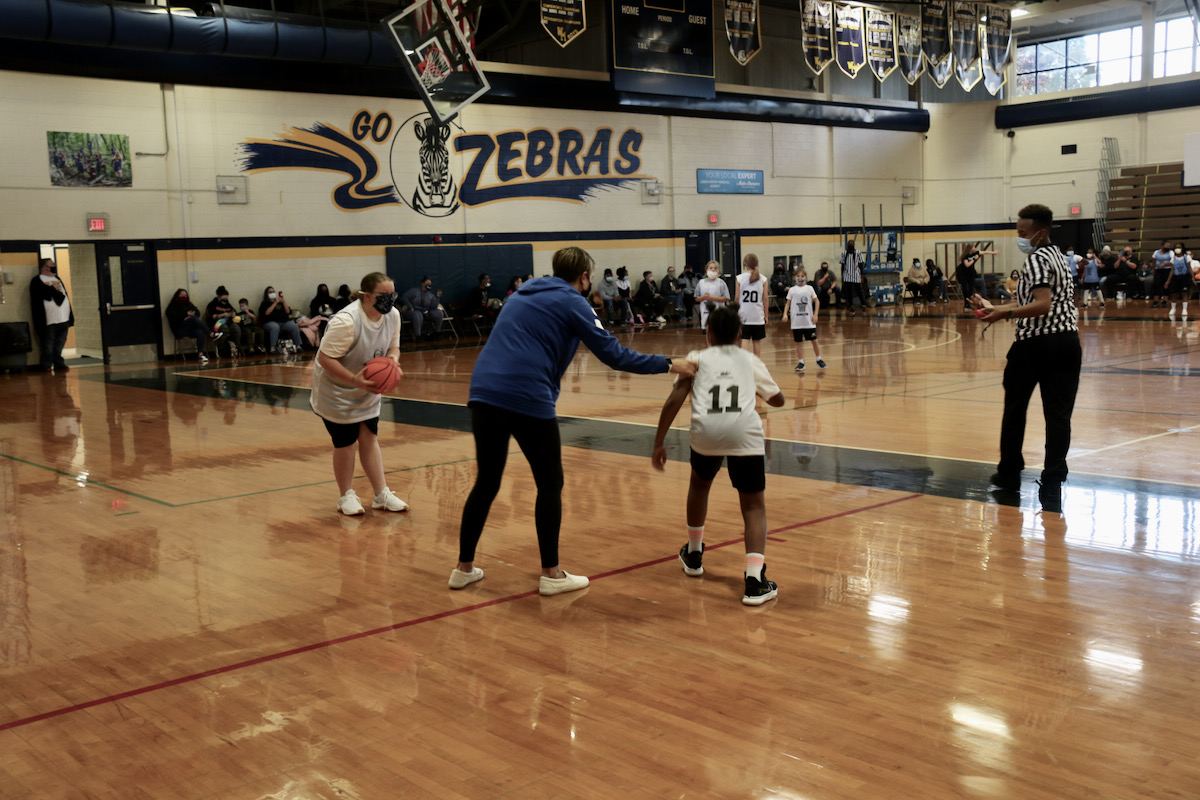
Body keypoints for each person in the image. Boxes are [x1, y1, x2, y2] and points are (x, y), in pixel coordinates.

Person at [449, 247, 696, 596]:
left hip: (484, 391)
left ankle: (463, 569)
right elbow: (614, 355)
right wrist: (669, 363)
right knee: (550, 483)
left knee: (487, 481)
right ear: (584, 276)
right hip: (527, 394)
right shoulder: (574, 302)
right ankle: (551, 574)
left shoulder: (524, 291)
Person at [650, 303, 785, 605]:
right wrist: (760, 390)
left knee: (699, 486)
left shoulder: (695, 359)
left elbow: (674, 400)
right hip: (744, 434)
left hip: (705, 434)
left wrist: (658, 442)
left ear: (708, 333)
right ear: (739, 334)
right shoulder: (749, 360)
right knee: (753, 506)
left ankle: (693, 553)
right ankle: (754, 580)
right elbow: (778, 400)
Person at [971, 203, 1080, 513]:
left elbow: (1042, 305)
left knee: (1015, 410)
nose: (1019, 237)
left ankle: (1009, 474)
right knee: (1058, 416)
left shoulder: (1035, 260)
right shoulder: (1060, 257)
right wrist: (995, 306)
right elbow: (1038, 301)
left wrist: (1004, 313)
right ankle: (1053, 480)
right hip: (1067, 343)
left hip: (1035, 345)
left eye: (1023, 232)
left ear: (1040, 233)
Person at [310, 271, 409, 516]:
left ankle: (381, 494)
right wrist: (355, 380)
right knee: (345, 442)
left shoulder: (393, 315)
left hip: (368, 385)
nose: (390, 299)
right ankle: (346, 496)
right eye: (384, 295)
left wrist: (392, 363)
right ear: (367, 296)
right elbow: (325, 358)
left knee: (369, 437)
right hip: (337, 389)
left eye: (392, 294)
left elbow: (394, 348)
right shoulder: (346, 321)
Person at [29, 258, 73, 372]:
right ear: (45, 267)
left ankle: (59, 362)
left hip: (63, 318)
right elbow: (42, 295)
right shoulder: (36, 281)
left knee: (60, 342)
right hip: (49, 320)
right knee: (48, 343)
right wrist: (52, 289)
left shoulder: (57, 278)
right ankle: (46, 364)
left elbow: (64, 295)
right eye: (51, 265)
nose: (53, 267)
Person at [782, 270, 825, 371]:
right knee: (798, 342)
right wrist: (785, 314)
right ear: (794, 278)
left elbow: (817, 301)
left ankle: (818, 359)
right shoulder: (792, 290)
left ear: (806, 277)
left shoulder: (809, 288)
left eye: (802, 276)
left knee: (814, 341)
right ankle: (801, 362)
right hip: (796, 322)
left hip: (808, 322)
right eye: (798, 276)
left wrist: (815, 314)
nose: (800, 278)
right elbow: (787, 303)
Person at [167, 288, 220, 363]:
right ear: (177, 296)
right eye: (182, 295)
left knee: (200, 331)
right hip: (179, 329)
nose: (184, 297)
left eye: (185, 295)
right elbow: (172, 317)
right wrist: (185, 315)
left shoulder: (189, 304)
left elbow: (197, 312)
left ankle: (200, 355)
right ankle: (211, 333)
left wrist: (192, 314)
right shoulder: (172, 306)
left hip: (189, 328)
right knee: (193, 319)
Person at [736, 253, 768, 356]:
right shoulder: (763, 279)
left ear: (745, 264)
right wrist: (766, 315)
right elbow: (765, 299)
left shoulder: (740, 278)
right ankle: (756, 363)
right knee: (757, 341)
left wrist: (735, 313)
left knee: (745, 339)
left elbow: (736, 298)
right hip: (757, 315)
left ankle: (744, 363)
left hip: (744, 314)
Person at [258, 285, 303, 353]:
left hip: (283, 322)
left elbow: (288, 312)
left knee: (294, 326)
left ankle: (298, 346)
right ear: (266, 294)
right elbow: (267, 313)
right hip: (269, 322)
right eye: (270, 292)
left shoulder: (280, 303)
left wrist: (283, 302)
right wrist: (275, 303)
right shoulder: (264, 303)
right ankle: (273, 348)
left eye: (273, 292)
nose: (272, 293)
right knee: (275, 327)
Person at [205, 285, 243, 356]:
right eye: (223, 299)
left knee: (236, 327)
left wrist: (233, 314)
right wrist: (222, 315)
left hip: (228, 323)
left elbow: (234, 312)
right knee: (224, 328)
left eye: (226, 299)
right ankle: (221, 347)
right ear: (219, 297)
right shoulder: (212, 304)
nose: (225, 300)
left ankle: (235, 346)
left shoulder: (228, 305)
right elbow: (211, 317)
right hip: (216, 324)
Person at [955, 244, 992, 311]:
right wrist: (974, 259)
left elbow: (984, 252)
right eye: (974, 247)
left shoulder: (975, 253)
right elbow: (967, 265)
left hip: (970, 274)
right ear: (970, 249)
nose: (975, 248)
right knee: (965, 289)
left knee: (970, 289)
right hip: (963, 274)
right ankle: (966, 304)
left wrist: (993, 252)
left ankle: (968, 304)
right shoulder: (965, 256)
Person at [695, 261, 730, 330]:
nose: (713, 270)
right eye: (711, 268)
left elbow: (726, 298)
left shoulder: (721, 283)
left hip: (718, 311)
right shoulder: (701, 282)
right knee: (706, 330)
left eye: (715, 268)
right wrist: (704, 297)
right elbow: (696, 298)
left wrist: (712, 298)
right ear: (706, 269)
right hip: (705, 312)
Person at [839, 239, 867, 316]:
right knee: (849, 292)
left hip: (856, 274)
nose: (851, 245)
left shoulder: (858, 253)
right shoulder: (844, 253)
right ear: (848, 245)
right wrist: (842, 277)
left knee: (859, 291)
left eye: (852, 244)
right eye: (850, 244)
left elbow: (861, 265)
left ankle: (863, 305)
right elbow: (842, 266)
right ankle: (851, 306)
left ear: (854, 245)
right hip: (847, 275)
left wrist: (861, 276)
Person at [1164, 243, 1193, 317]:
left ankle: (1184, 309)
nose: (1178, 249)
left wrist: (1192, 277)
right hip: (1175, 277)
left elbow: (1189, 268)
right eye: (1176, 247)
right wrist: (1168, 280)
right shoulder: (1173, 259)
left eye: (1179, 247)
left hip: (1184, 277)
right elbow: (1172, 270)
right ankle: (1173, 308)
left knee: (1184, 293)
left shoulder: (1186, 257)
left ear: (1182, 248)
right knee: (1174, 294)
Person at [1151, 241, 1173, 308]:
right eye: (1167, 246)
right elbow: (1153, 262)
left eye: (1169, 246)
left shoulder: (1171, 253)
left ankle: (1165, 301)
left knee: (1166, 285)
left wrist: (1165, 264)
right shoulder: (1156, 252)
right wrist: (1153, 271)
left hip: (1167, 270)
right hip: (1158, 270)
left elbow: (1173, 262)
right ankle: (1156, 301)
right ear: (1162, 246)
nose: (1168, 247)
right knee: (1156, 285)